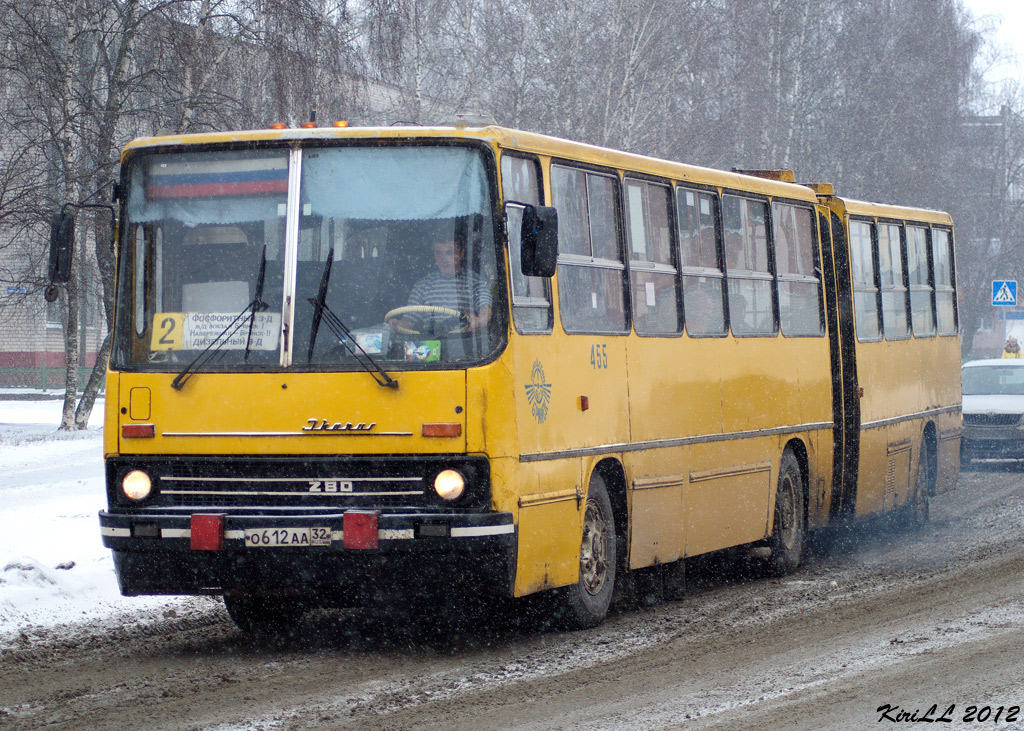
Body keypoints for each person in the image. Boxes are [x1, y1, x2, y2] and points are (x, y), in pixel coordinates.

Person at [397, 237, 492, 334]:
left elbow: (484, 307)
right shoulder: (422, 285)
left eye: (449, 252)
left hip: (464, 342)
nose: (443, 259)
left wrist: (482, 320)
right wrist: (396, 325)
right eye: (438, 253)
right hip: (429, 343)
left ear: (461, 253)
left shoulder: (475, 281)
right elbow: (409, 321)